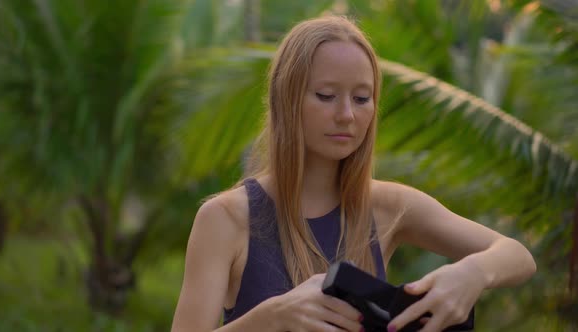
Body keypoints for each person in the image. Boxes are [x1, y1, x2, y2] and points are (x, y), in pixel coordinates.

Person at [170, 15, 536, 332]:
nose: (347, 115)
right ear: (287, 99)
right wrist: (273, 317)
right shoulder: (227, 218)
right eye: (326, 95)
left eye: (362, 99)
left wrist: (470, 274)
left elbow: (517, 256)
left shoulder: (388, 206)